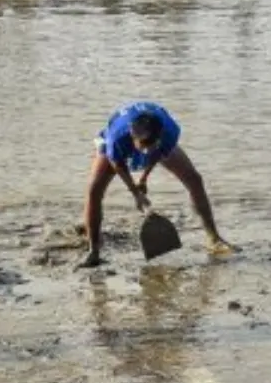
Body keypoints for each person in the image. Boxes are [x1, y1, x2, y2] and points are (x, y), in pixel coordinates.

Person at [79, 101, 237, 268]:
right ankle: (94, 251)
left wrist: (144, 178)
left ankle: (214, 239)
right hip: (116, 140)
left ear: (160, 136)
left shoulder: (170, 131)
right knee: (94, 190)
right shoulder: (117, 138)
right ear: (132, 138)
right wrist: (135, 193)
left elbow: (158, 153)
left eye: (151, 146)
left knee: (194, 179)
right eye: (142, 147)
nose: (146, 152)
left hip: (154, 138)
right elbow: (118, 164)